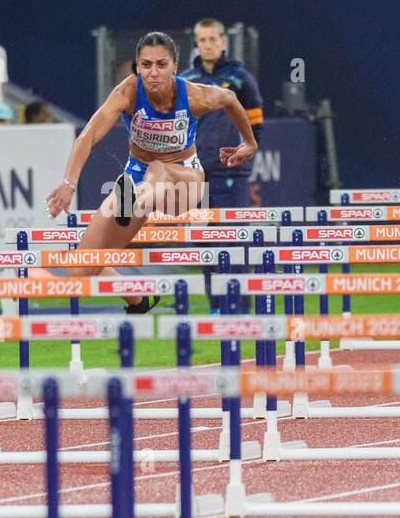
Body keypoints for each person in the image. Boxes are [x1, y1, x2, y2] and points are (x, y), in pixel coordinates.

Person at [42, 31, 258, 311]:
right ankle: (139, 298)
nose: (153, 73)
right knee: (79, 272)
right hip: (137, 178)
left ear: (175, 67)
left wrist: (249, 143)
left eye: (161, 65)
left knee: (159, 170)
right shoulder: (127, 93)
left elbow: (230, 98)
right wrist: (68, 184)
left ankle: (136, 196)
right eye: (146, 65)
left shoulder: (193, 96)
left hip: (184, 182)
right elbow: (88, 136)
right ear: (137, 66)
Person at [180, 18, 264, 207]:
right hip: (195, 173)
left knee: (234, 234)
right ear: (196, 44)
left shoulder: (240, 77)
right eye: (202, 40)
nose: (208, 45)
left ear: (223, 42)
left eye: (213, 39)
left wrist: (246, 152)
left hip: (231, 171)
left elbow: (256, 121)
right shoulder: (185, 80)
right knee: (196, 236)